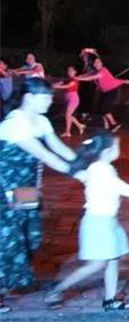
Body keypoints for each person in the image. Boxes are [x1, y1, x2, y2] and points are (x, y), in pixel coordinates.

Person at [44, 131, 129, 311]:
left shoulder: (101, 167)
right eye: (117, 146)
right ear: (106, 151)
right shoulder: (101, 169)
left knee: (113, 259)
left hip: (108, 221)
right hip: (98, 223)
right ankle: (57, 288)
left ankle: (110, 300)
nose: (119, 149)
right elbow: (121, 187)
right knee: (97, 264)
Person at [0, 79, 75, 313]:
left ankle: (11, 281)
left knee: (29, 236)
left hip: (24, 188)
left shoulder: (41, 121)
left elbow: (59, 148)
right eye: (46, 97)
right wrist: (80, 174)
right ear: (29, 97)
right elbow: (44, 155)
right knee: (7, 239)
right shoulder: (15, 123)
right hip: (5, 187)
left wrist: (86, 164)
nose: (51, 101)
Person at [73, 58, 129, 133]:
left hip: (111, 91)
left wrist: (79, 79)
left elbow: (92, 77)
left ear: (101, 63)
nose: (97, 64)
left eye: (98, 62)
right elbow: (88, 75)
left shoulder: (103, 70)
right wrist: (79, 76)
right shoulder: (95, 71)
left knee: (104, 109)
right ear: (94, 65)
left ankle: (114, 124)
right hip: (104, 92)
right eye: (95, 62)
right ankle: (106, 126)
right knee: (99, 109)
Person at [53, 66, 86, 137]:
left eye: (71, 70)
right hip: (67, 98)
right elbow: (59, 83)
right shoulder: (67, 79)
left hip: (73, 99)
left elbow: (68, 86)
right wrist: (52, 85)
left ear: (75, 72)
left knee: (68, 115)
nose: (69, 72)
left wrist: (56, 87)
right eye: (68, 70)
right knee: (69, 115)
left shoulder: (75, 79)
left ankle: (68, 132)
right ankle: (80, 126)